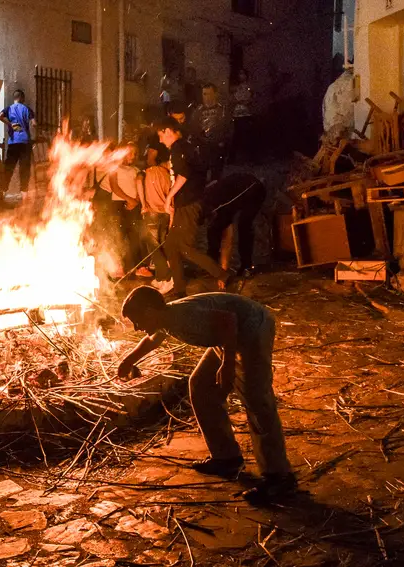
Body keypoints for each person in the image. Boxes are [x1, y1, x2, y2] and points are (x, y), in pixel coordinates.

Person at [117, 286, 294, 504]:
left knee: (256, 398)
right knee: (201, 386)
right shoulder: (164, 319)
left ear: (150, 311)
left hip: (252, 328)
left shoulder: (182, 316)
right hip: (225, 336)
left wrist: (228, 363)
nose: (136, 328)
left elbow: (228, 321)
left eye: (137, 321)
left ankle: (278, 476)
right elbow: (152, 340)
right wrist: (128, 361)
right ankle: (226, 457)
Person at [157, 118, 234, 296]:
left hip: (189, 204)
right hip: (188, 202)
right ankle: (179, 287)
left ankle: (222, 274)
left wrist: (169, 198)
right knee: (170, 246)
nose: (161, 140)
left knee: (185, 247)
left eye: (161, 135)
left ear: (168, 130)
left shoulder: (178, 148)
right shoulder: (188, 146)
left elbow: (183, 176)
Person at [206, 173, 266, 277]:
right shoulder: (215, 200)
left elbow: (227, 236)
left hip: (254, 190)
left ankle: (246, 266)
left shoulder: (221, 204)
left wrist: (222, 268)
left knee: (244, 226)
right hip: (239, 190)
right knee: (216, 229)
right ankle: (213, 265)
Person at [106, 142, 144, 277]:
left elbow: (139, 187)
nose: (133, 156)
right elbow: (114, 187)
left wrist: (137, 200)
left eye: (135, 153)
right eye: (131, 153)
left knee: (134, 236)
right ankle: (119, 268)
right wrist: (129, 199)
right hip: (119, 204)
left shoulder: (135, 170)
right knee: (119, 236)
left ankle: (137, 267)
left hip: (133, 204)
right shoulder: (114, 168)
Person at [139, 159, 173, 290]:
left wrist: (143, 204)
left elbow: (138, 181)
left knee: (153, 247)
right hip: (165, 213)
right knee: (161, 246)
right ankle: (161, 278)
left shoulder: (149, 171)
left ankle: (165, 277)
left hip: (152, 212)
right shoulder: (168, 175)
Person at [0, 89, 37, 200]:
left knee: (9, 167)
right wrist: (35, 136)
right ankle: (24, 194)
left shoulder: (9, 108)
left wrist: (10, 124)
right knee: (24, 168)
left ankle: (2, 191)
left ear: (14, 98)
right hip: (25, 142)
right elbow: (34, 124)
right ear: (22, 98)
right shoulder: (27, 109)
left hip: (13, 142)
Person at [189, 83, 232, 182]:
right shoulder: (198, 111)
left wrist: (224, 144)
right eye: (204, 94)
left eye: (209, 94)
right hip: (203, 147)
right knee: (201, 175)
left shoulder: (223, 110)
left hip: (217, 147)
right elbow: (193, 128)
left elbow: (229, 128)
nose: (206, 97)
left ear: (215, 94)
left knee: (216, 176)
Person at [231, 70, 255, 164]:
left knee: (248, 136)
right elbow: (233, 99)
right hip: (237, 115)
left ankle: (250, 158)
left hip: (247, 114)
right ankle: (232, 159)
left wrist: (249, 101)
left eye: (243, 74)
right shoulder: (236, 88)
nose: (241, 76)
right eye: (240, 74)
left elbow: (252, 98)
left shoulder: (249, 87)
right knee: (236, 136)